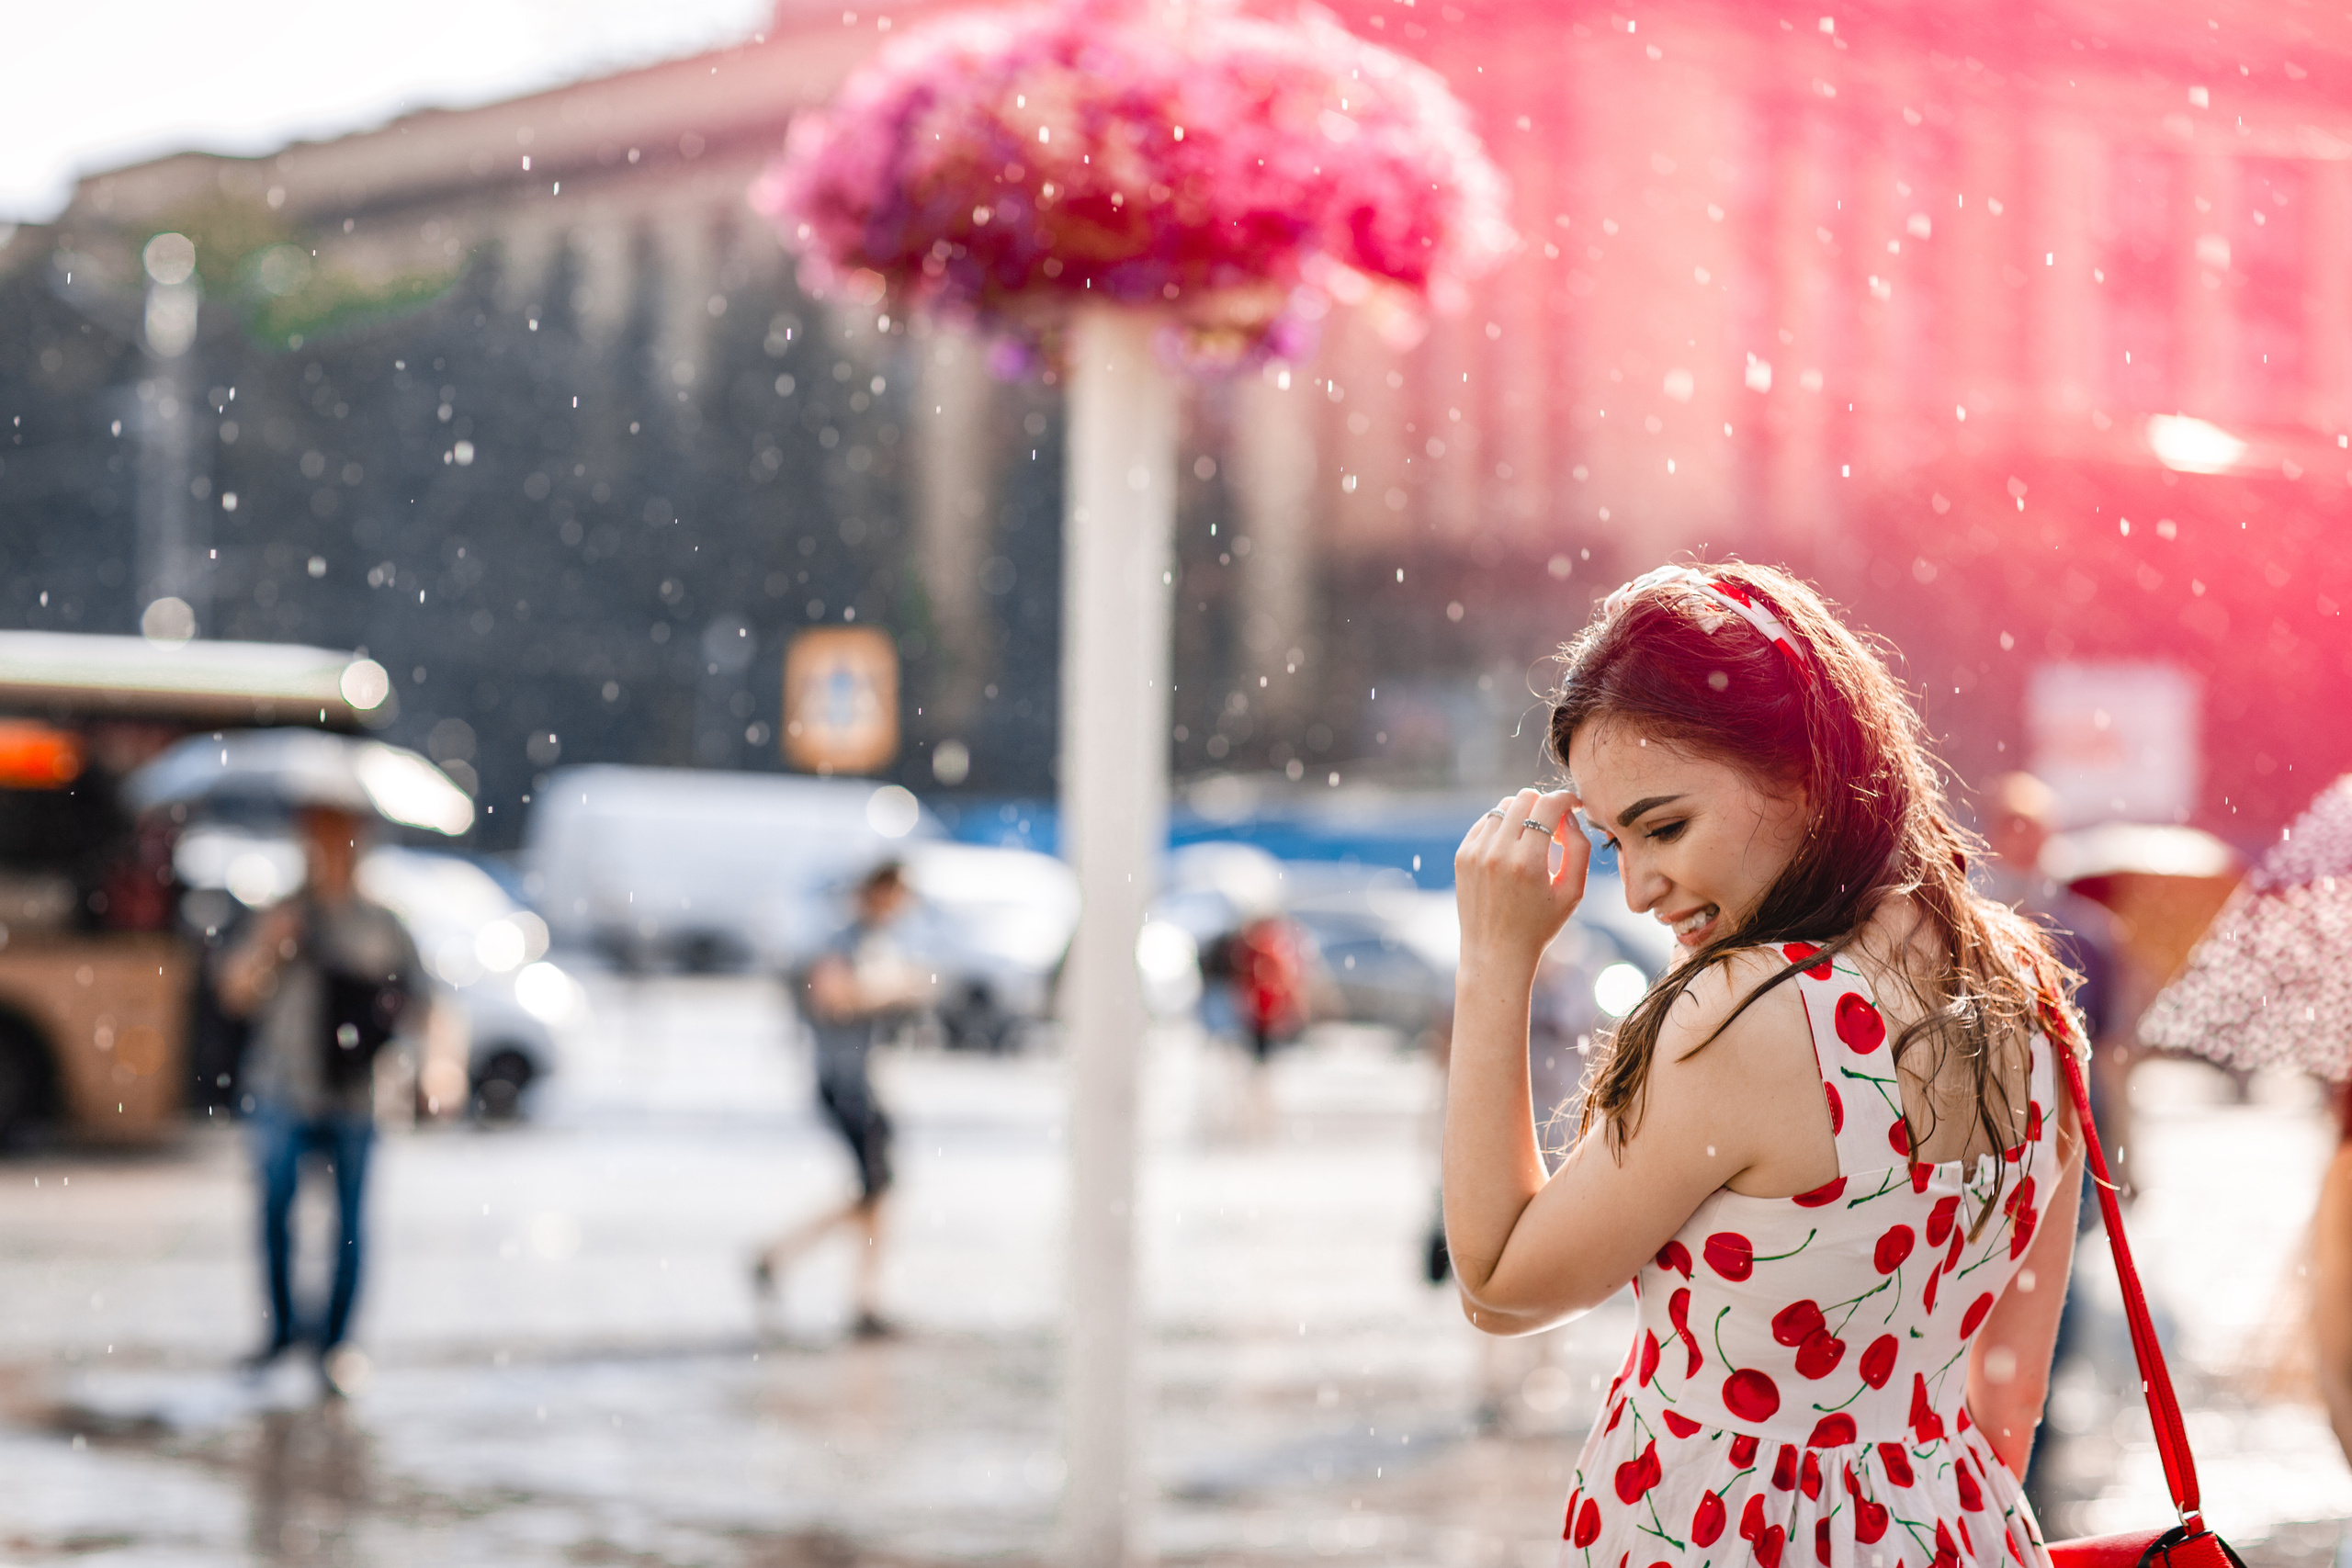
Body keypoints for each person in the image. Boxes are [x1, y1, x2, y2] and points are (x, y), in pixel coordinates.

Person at [1445, 562, 2087, 1563]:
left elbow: (1496, 1284)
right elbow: (2008, 1389)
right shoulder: (2025, 986)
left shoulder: (1746, 1017)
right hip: (1958, 1527)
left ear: (1804, 771)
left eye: (1665, 827)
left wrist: (1494, 957)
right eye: (1615, 842)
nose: (1640, 886)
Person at [216, 805, 422, 1393]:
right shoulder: (279, 914)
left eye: (341, 836)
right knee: (274, 1215)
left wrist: (439, 1067)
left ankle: (336, 1345)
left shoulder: (383, 924)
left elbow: (425, 1002)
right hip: (283, 1088)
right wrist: (268, 944)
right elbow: (233, 994)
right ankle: (281, 1333)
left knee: (351, 1226)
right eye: (318, 836)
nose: (330, 849)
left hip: (359, 1095)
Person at [752, 860, 931, 1337]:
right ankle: (788, 1260)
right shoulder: (839, 941)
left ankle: (857, 1295)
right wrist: (893, 993)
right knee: (875, 1189)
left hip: (865, 1081)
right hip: (845, 1082)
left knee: (877, 1192)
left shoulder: (871, 942)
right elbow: (832, 999)